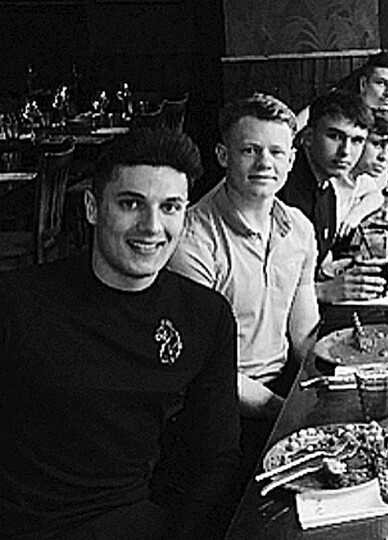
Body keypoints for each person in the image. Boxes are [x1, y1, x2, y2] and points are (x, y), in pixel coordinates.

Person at [0, 128, 241, 539]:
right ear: (93, 208)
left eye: (170, 207)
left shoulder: (205, 315)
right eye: (131, 204)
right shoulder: (17, 303)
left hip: (129, 518)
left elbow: (215, 456)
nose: (151, 227)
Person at [166, 94, 320, 480]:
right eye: (250, 150)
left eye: (276, 152)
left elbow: (303, 337)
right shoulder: (192, 241)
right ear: (223, 155)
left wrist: (334, 384)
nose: (265, 163)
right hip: (216, 408)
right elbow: (201, 369)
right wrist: (285, 413)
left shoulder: (299, 228)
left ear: (291, 160)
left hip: (279, 390)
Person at [279, 90, 386, 302]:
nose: (346, 151)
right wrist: (324, 291)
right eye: (335, 137)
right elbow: (267, 288)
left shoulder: (327, 189)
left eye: (357, 141)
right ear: (308, 137)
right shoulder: (283, 190)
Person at [343, 109, 388, 231]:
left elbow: (376, 196)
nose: (384, 157)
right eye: (377, 144)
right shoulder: (336, 177)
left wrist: (355, 215)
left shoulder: (361, 177)